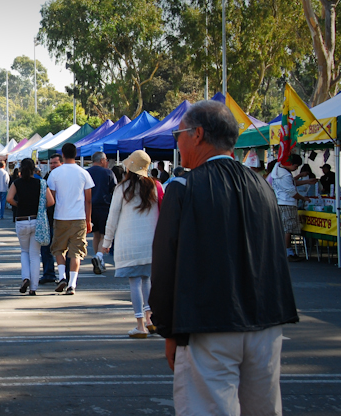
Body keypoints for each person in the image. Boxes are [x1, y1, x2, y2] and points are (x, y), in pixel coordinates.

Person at [149, 100, 298, 416]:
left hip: (208, 325)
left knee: (208, 408)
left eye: (179, 133)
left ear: (198, 134)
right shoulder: (263, 187)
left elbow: (165, 263)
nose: (178, 141)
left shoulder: (182, 186)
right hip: (266, 323)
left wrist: (168, 328)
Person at [100, 150, 160, 338]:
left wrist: (106, 242)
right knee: (147, 280)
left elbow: (113, 217)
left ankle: (140, 324)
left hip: (129, 244)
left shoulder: (122, 188)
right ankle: (150, 319)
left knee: (134, 283)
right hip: (151, 242)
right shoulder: (155, 187)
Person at [47, 143, 94, 295]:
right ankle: (72, 284)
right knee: (76, 251)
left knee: (58, 248)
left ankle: (62, 276)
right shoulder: (83, 173)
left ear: (63, 155)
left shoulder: (55, 173)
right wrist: (88, 220)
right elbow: (88, 199)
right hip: (79, 216)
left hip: (60, 216)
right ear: (76, 154)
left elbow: (51, 198)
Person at [7, 158, 55, 296]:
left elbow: (9, 199)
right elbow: (51, 201)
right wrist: (39, 207)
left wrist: (19, 205)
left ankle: (25, 277)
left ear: (21, 169)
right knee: (35, 254)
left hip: (21, 220)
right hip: (36, 220)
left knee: (24, 251)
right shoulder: (41, 183)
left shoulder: (16, 183)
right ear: (34, 168)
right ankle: (33, 287)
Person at [270, 154, 317, 262]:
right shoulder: (286, 175)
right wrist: (303, 198)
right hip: (288, 203)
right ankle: (288, 252)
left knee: (284, 228)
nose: (296, 168)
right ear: (291, 164)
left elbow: (291, 183)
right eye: (296, 166)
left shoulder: (278, 171)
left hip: (280, 202)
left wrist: (306, 181)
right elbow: (291, 191)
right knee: (288, 229)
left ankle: (284, 251)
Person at [86, 152, 117, 275]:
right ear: (103, 160)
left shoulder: (86, 173)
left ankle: (99, 258)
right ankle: (99, 257)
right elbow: (114, 189)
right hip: (104, 206)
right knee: (104, 235)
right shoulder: (108, 173)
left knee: (96, 235)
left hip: (90, 207)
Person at [40, 154, 63, 284]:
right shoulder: (48, 177)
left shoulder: (64, 176)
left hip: (63, 215)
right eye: (51, 163)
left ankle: (64, 274)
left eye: (55, 163)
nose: (53, 165)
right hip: (49, 216)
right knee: (46, 245)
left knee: (62, 246)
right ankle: (49, 273)